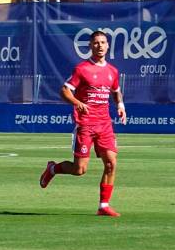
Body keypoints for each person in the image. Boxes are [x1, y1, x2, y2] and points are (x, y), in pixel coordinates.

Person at [39, 30, 127, 217]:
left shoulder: (112, 71)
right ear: (90, 46)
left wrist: (120, 105)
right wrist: (77, 103)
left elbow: (116, 90)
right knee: (80, 170)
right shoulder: (82, 69)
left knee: (111, 163)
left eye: (103, 42)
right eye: (96, 43)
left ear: (108, 45)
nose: (100, 46)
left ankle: (103, 206)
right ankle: (53, 168)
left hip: (105, 124)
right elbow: (64, 91)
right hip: (85, 124)